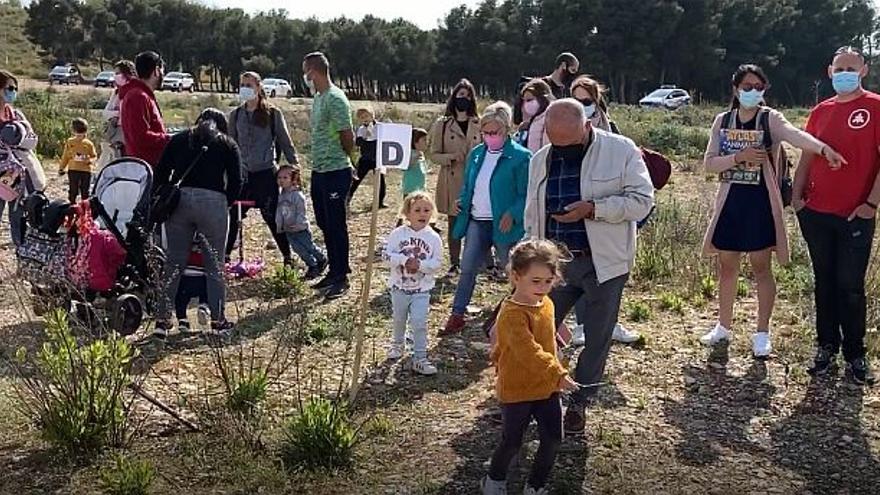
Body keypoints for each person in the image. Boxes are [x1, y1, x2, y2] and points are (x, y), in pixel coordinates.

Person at [524, 99, 653, 433]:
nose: (562, 150)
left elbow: (642, 202)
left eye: (570, 143)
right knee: (534, 329)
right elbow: (531, 213)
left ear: (587, 126)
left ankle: (580, 403)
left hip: (603, 263)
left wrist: (593, 209)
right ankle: (536, 394)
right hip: (553, 266)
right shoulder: (540, 159)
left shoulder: (621, 150)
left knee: (596, 338)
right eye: (556, 142)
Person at [702, 64, 846, 358]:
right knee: (727, 266)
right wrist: (739, 157)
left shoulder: (770, 119)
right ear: (735, 88)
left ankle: (762, 334)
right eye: (747, 86)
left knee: (761, 267)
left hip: (760, 204)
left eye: (758, 87)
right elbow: (709, 163)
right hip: (731, 202)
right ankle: (723, 326)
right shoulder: (723, 120)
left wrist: (823, 149)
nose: (752, 92)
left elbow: (796, 136)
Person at [793, 46, 880, 385]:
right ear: (830, 72)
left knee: (851, 285)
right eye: (838, 67)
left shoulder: (874, 107)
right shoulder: (820, 111)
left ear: (863, 70)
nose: (844, 73)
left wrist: (870, 204)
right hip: (816, 212)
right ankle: (825, 345)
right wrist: (797, 198)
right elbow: (807, 156)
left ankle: (856, 354)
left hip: (855, 215)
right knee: (824, 281)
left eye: (851, 67)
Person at [480, 239, 577, 495]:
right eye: (535, 281)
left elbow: (549, 342)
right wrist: (558, 373)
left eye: (548, 281)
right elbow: (528, 351)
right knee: (512, 442)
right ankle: (494, 479)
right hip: (517, 388)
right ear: (516, 276)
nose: (543, 287)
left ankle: (535, 485)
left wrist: (557, 368)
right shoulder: (511, 313)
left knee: (554, 439)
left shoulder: (547, 304)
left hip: (546, 387)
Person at [443, 102, 531, 335]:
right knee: (468, 267)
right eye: (486, 132)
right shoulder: (477, 154)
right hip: (477, 220)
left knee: (512, 270)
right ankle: (457, 314)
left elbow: (526, 194)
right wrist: (461, 200)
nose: (490, 137)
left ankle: (521, 315)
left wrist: (513, 213)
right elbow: (469, 185)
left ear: (506, 130)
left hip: (503, 224)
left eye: (495, 132)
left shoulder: (521, 157)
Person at [153, 108, 242, 338]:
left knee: (174, 262)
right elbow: (236, 181)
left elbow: (160, 172)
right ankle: (218, 320)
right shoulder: (228, 144)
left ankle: (162, 321)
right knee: (214, 264)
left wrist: (164, 195)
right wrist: (225, 202)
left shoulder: (179, 139)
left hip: (180, 201)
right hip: (213, 203)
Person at [568, 75, 642, 345]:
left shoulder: (612, 130)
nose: (581, 105)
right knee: (579, 267)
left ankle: (610, 323)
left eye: (586, 101)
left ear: (596, 101)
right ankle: (581, 325)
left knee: (610, 273)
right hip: (578, 210)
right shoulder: (564, 126)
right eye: (575, 100)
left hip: (610, 211)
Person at [227, 71, 299, 265]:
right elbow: (230, 145)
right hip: (242, 175)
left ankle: (287, 257)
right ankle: (224, 258)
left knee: (272, 217)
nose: (245, 89)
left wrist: (294, 168)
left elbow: (285, 142)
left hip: (266, 173)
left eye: (249, 85)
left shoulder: (273, 114)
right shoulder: (235, 115)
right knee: (233, 216)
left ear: (258, 88)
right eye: (242, 85)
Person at [302, 52, 355, 300]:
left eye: (306, 72)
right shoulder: (318, 98)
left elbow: (347, 134)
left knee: (336, 223)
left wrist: (347, 158)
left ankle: (341, 274)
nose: (305, 77)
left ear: (314, 71)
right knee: (324, 222)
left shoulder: (335, 98)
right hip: (319, 170)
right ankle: (333, 269)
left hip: (336, 169)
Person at [383, 191, 443, 376]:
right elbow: (386, 257)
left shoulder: (433, 238)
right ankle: (397, 345)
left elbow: (437, 264)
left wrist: (421, 265)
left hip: (421, 290)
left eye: (427, 210)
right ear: (407, 213)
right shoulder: (397, 234)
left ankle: (420, 357)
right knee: (399, 319)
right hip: (399, 288)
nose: (422, 214)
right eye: (417, 210)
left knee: (419, 322)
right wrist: (402, 260)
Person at [428, 79, 482, 277]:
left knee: (476, 222)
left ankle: (473, 261)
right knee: (454, 224)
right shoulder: (442, 125)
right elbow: (433, 154)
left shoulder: (479, 123)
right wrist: (450, 157)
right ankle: (454, 262)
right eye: (461, 96)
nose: (464, 100)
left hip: (475, 180)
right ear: (454, 97)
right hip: (452, 179)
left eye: (468, 96)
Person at [0, 70, 46, 247]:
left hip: (17, 176)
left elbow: (33, 140)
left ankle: (21, 253)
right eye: (9, 88)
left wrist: (17, 135)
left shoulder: (16, 115)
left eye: (15, 88)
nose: (12, 92)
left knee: (18, 216)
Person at [276, 164, 327, 280]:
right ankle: (312, 265)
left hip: (300, 229)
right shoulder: (281, 195)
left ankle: (321, 258)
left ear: (293, 179)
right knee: (298, 249)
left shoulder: (297, 196)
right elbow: (280, 211)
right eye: (279, 178)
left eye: (285, 178)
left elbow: (301, 212)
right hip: (288, 229)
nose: (281, 180)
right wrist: (279, 225)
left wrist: (298, 224)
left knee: (309, 246)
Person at [119, 51, 169, 167]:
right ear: (156, 70)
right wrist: (170, 139)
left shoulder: (142, 95)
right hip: (145, 168)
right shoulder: (138, 96)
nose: (163, 74)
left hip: (149, 165)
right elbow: (140, 137)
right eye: (162, 70)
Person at [98, 60, 135, 169]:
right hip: (116, 130)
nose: (116, 76)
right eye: (115, 73)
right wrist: (118, 113)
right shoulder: (116, 92)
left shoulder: (134, 91)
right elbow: (106, 113)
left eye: (119, 73)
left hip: (130, 131)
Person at [349, 107, 387, 208]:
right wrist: (364, 136)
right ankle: (347, 198)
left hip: (377, 158)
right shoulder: (361, 129)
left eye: (366, 116)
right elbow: (358, 143)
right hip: (365, 158)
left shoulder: (379, 127)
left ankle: (380, 201)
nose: (364, 119)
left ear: (372, 116)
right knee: (356, 179)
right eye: (361, 117)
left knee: (380, 181)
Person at [175, 234, 211, 332]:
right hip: (201, 276)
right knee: (206, 292)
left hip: (185, 277)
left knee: (180, 300)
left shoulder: (183, 242)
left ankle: (182, 320)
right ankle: (203, 306)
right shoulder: (206, 243)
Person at [58, 118, 97, 203]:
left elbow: (94, 156)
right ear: (74, 132)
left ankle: (85, 209)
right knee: (73, 190)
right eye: (77, 134)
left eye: (81, 134)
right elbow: (65, 156)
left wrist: (89, 160)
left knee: (85, 191)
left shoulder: (89, 144)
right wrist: (62, 168)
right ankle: (71, 206)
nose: (79, 137)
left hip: (86, 170)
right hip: (73, 169)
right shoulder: (70, 142)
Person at [516, 78, 554, 153]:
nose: (526, 104)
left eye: (529, 100)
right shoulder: (530, 122)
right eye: (524, 101)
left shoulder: (550, 119)